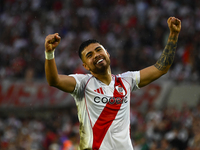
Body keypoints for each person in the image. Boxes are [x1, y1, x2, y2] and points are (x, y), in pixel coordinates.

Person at [44, 17, 181, 150]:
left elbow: (161, 68)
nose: (96, 55)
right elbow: (54, 80)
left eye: (98, 50)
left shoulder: (127, 80)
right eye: (89, 55)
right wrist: (49, 53)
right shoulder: (82, 83)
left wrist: (173, 35)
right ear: (86, 66)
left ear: (107, 54)